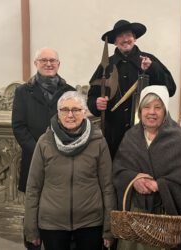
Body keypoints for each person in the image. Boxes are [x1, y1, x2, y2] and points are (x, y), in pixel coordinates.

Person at [24, 91, 116, 250]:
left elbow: (107, 187)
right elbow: (33, 187)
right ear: (58, 113)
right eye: (65, 110)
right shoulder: (45, 141)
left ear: (85, 112)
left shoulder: (98, 141)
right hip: (52, 224)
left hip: (90, 222)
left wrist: (109, 228)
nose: (70, 115)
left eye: (76, 109)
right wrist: (31, 229)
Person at [113, 85, 181, 250]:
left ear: (165, 111)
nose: (152, 112)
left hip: (164, 219)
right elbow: (118, 170)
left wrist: (161, 185)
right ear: (140, 110)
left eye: (158, 107)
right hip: (134, 217)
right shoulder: (131, 137)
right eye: (147, 107)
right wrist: (134, 179)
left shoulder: (179, 140)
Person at [88, 19, 177, 159]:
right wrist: (96, 103)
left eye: (128, 35)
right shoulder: (106, 65)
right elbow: (92, 96)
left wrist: (153, 69)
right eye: (120, 36)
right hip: (113, 135)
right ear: (115, 42)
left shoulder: (149, 60)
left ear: (134, 38)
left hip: (145, 132)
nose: (125, 39)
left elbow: (171, 89)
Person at [12, 47, 75, 193]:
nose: (48, 64)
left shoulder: (69, 91)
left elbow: (76, 122)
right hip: (34, 156)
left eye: (52, 60)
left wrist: (64, 148)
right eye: (44, 60)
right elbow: (18, 126)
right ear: (36, 63)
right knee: (34, 198)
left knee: (62, 196)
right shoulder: (23, 91)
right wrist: (37, 151)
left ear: (59, 64)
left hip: (63, 156)